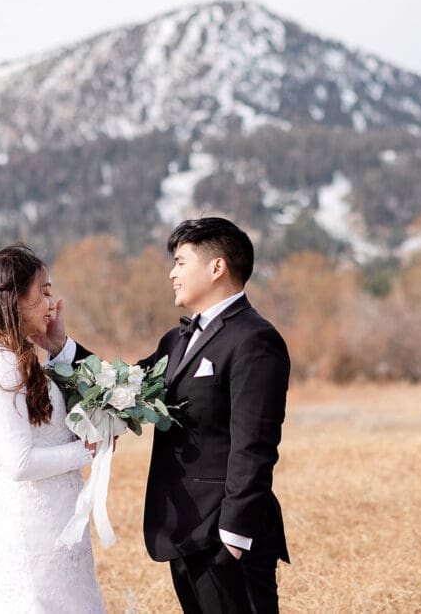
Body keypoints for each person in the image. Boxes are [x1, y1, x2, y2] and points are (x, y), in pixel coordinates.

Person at [41, 217, 290, 612]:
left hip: (227, 534)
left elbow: (255, 445)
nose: (172, 273)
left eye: (180, 262)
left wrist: (234, 537)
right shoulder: (176, 340)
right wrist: (61, 347)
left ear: (217, 267)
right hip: (183, 530)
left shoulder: (255, 339)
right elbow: (122, 389)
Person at [0, 244, 106, 613]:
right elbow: (19, 463)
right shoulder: (1, 365)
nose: (53, 303)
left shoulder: (21, 358)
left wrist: (58, 347)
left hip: (56, 522)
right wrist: (88, 450)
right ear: (17, 300)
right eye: (45, 292)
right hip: (30, 528)